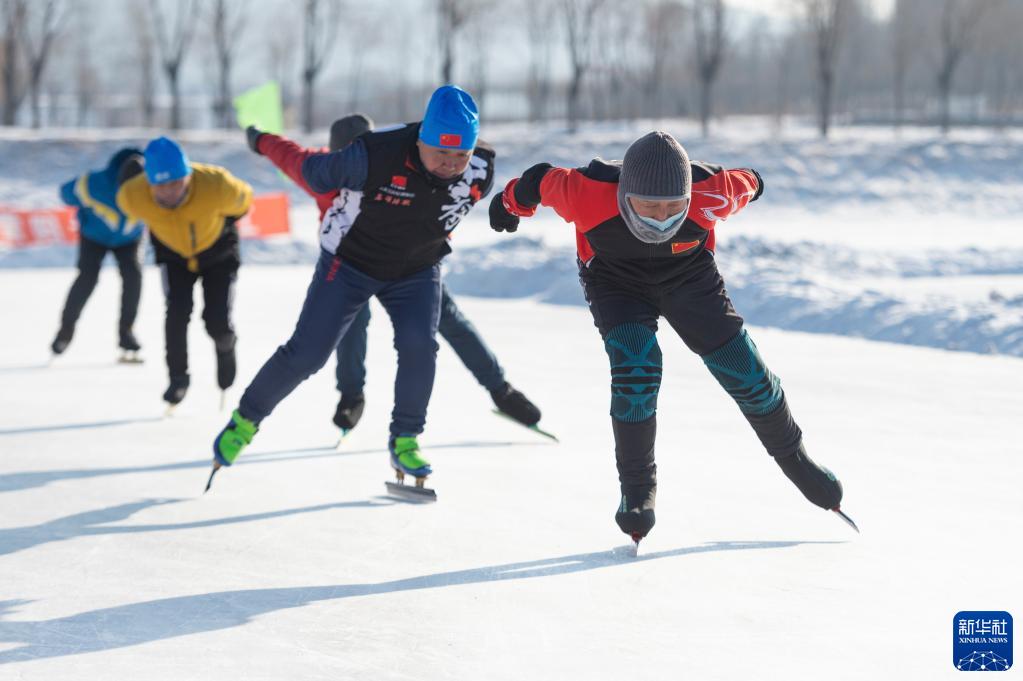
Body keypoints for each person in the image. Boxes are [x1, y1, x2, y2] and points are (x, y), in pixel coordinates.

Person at [489, 131, 845, 542]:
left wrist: (756, 182)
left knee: (746, 373)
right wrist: (509, 204)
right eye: (648, 207)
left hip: (690, 278)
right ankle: (638, 491)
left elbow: (752, 179)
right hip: (614, 282)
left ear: (690, 196)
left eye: (673, 207)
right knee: (636, 369)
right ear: (624, 196)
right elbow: (537, 180)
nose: (660, 219)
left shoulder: (715, 191)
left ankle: (797, 461)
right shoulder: (586, 191)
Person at [213, 85, 495, 483]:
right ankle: (245, 420)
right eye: (441, 153)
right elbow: (302, 165)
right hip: (350, 265)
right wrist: (260, 140)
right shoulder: (368, 158)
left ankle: (406, 440)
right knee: (307, 354)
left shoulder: (482, 166)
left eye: (460, 155)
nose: (451, 164)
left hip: (415, 268)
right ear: (420, 141)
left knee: (420, 346)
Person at [244, 114, 542, 434]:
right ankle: (351, 395)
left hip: (408, 263)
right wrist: (259, 139)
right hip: (351, 262)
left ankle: (500, 388)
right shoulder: (331, 168)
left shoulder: (387, 162)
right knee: (351, 326)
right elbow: (288, 154)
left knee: (447, 319)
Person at [116, 136, 252, 406]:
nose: (170, 192)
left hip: (218, 252)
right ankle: (178, 379)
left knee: (217, 322)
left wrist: (223, 222)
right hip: (173, 256)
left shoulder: (216, 184)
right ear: (149, 183)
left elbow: (244, 202)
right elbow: (121, 203)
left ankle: (226, 348)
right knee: (176, 314)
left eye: (177, 184)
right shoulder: (133, 195)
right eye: (161, 187)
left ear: (188, 176)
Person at [51, 148, 146, 359]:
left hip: (130, 238)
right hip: (94, 236)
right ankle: (65, 331)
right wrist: (81, 207)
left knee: (133, 276)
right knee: (87, 278)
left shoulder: (152, 183)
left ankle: (127, 332)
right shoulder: (93, 183)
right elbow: (66, 193)